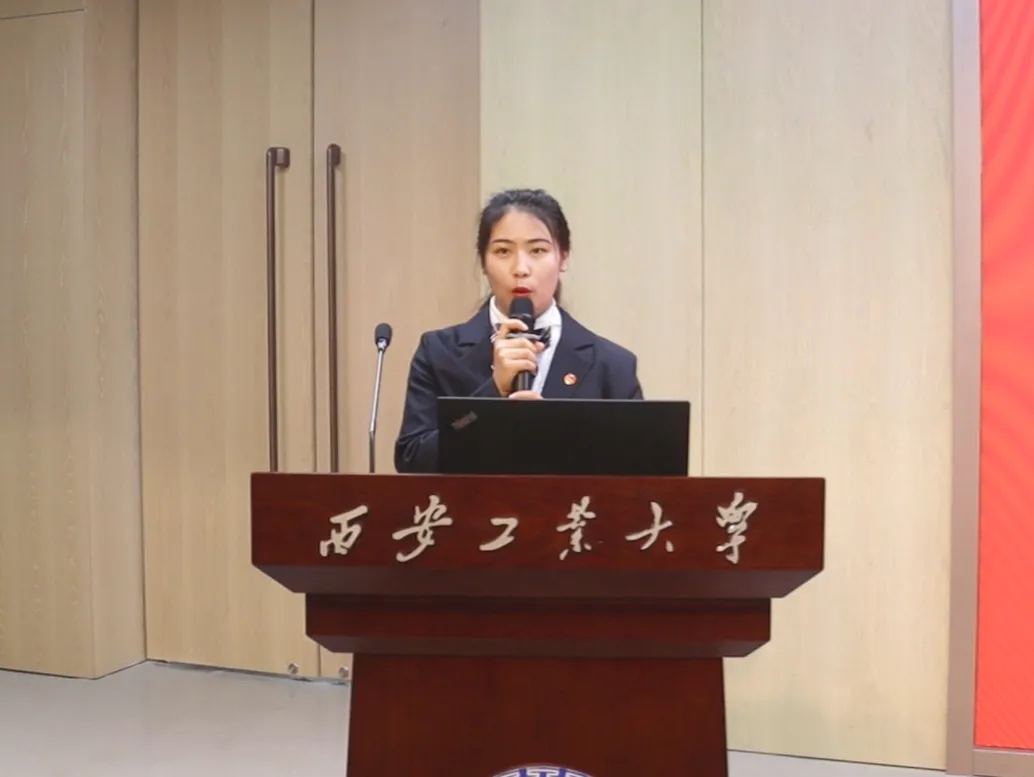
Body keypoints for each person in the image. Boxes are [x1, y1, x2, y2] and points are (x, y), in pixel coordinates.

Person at [394, 188, 644, 473]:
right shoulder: (439, 353)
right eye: (503, 251)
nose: (520, 268)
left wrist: (554, 433)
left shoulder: (612, 365)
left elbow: (639, 472)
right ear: (483, 262)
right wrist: (492, 394)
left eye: (538, 250)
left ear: (563, 257)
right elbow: (413, 460)